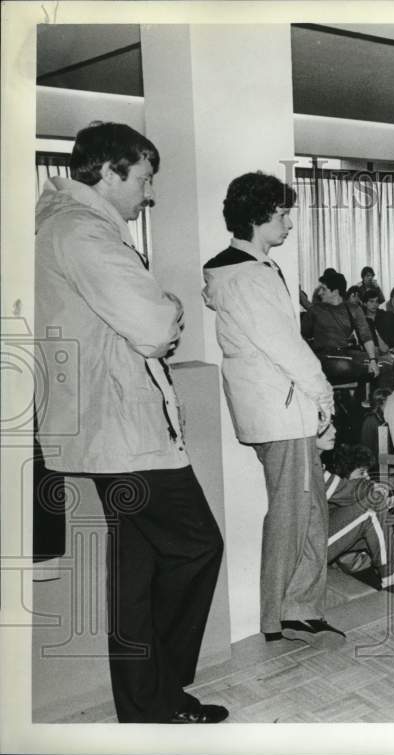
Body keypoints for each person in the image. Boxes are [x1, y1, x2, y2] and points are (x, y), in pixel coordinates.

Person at [35, 122, 226, 723]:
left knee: (136, 574)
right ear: (111, 171)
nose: (149, 193)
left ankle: (147, 706)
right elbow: (153, 327)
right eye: (143, 179)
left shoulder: (64, 225)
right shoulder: (84, 231)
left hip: (104, 434)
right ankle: (163, 689)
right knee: (198, 547)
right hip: (123, 436)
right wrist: (169, 306)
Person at [203, 171, 344, 653]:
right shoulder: (244, 275)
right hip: (281, 412)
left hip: (280, 410)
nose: (287, 222)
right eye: (281, 214)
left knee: (307, 510)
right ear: (256, 217)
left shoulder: (249, 270)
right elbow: (287, 347)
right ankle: (278, 613)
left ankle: (299, 608)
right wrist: (325, 396)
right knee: (292, 513)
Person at [322, 441, 394, 588]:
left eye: (367, 473)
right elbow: (349, 562)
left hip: (321, 541)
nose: (367, 477)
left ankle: (392, 572)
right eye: (361, 473)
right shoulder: (309, 465)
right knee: (372, 507)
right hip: (312, 546)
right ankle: (391, 576)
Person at [299, 268, 380, 386]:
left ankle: (367, 400)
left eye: (324, 289)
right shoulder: (314, 311)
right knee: (343, 366)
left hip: (346, 354)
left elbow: (366, 336)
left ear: (335, 292)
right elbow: (302, 336)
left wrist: (373, 360)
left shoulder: (354, 309)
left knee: (385, 363)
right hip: (325, 357)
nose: (320, 292)